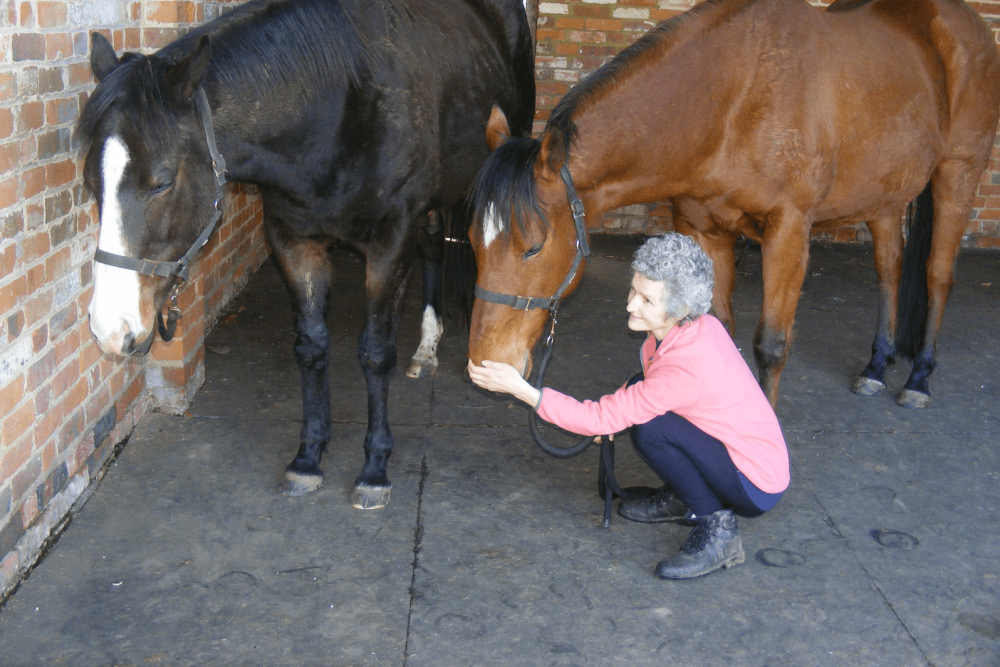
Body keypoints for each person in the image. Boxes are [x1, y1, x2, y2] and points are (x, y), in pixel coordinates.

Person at [467, 233, 789, 579]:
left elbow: (608, 412)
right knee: (640, 394)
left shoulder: (686, 368)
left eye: (646, 300)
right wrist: (612, 421)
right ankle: (686, 494)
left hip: (755, 484)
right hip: (745, 455)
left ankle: (719, 531)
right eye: (634, 290)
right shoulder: (692, 327)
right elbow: (645, 387)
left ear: (679, 308)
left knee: (652, 427)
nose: (630, 304)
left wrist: (523, 390)